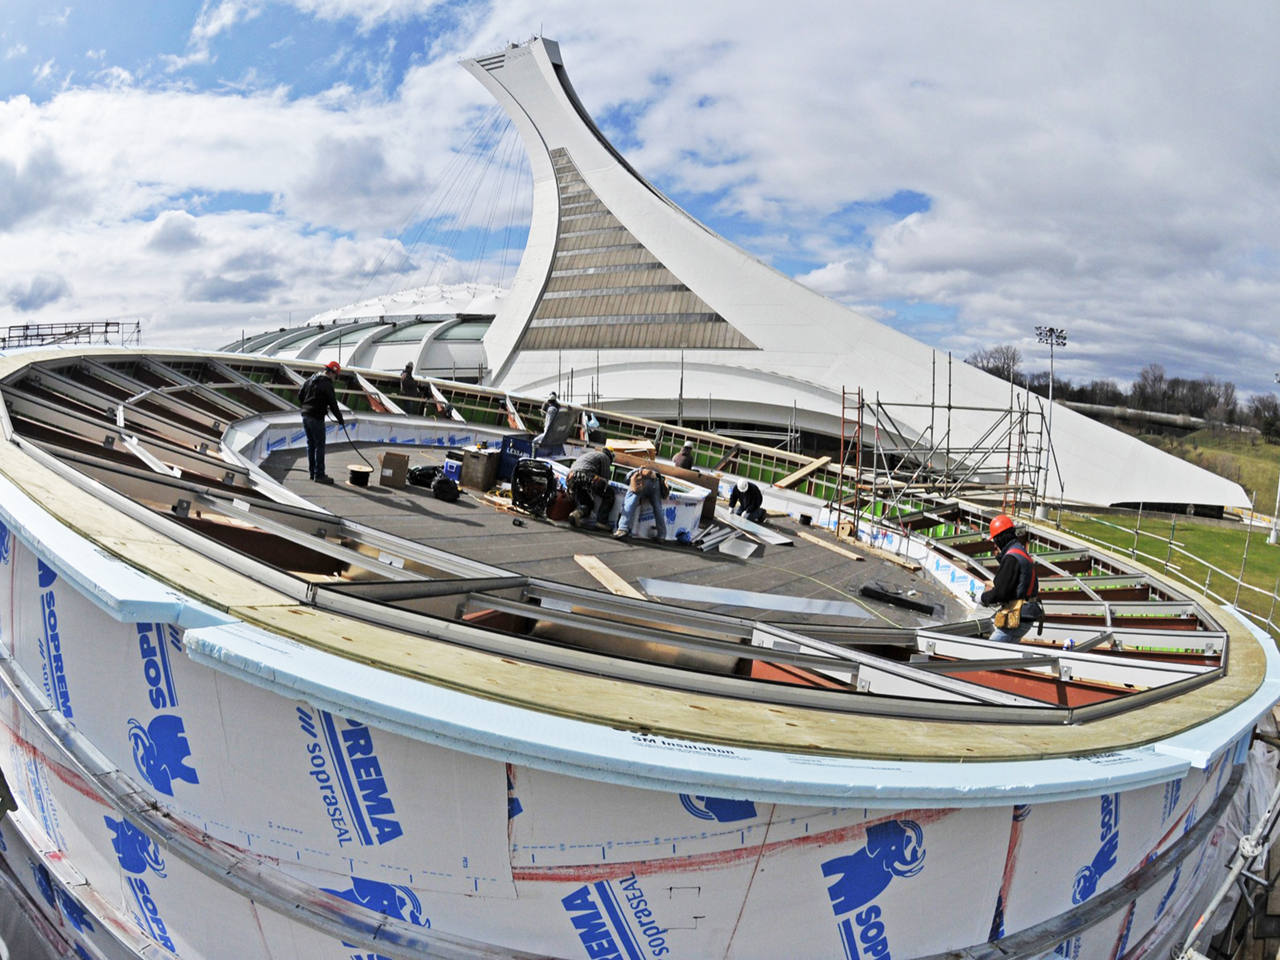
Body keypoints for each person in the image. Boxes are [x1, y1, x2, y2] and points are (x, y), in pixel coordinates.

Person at [980, 514, 1043, 642]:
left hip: (1018, 616)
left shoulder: (1011, 558)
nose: (995, 545)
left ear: (1000, 538)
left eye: (995, 540)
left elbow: (1001, 593)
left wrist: (982, 598)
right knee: (1002, 658)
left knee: (988, 653)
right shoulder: (1018, 551)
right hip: (1025, 614)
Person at [299, 361, 345, 484]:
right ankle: (319, 474)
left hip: (305, 415)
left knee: (311, 445)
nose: (335, 378)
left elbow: (300, 395)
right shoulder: (326, 384)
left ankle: (312, 472)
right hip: (316, 418)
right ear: (331, 372)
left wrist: (308, 406)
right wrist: (340, 419)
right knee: (319, 446)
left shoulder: (310, 379)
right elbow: (333, 404)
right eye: (336, 376)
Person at [614, 465, 669, 540]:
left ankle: (622, 528)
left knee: (630, 502)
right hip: (655, 482)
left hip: (641, 479)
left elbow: (626, 482)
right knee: (658, 508)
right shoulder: (653, 472)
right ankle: (662, 535)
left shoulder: (633, 473)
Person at [566, 448, 615, 528]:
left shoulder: (591, 454)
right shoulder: (605, 457)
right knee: (609, 494)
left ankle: (576, 514)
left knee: (587, 503)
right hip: (587, 476)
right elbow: (605, 478)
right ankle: (601, 522)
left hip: (572, 477)